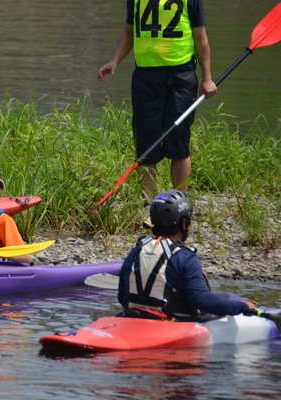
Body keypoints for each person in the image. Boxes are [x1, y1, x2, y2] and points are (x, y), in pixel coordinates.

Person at [97, 0, 218, 228]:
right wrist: (114, 61)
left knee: (178, 144)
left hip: (181, 76)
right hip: (145, 78)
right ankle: (148, 210)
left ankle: (181, 209)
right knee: (147, 145)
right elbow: (129, 32)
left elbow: (201, 38)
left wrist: (207, 77)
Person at [117, 190, 256, 320]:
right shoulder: (185, 258)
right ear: (184, 223)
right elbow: (202, 301)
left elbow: (121, 296)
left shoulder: (136, 251)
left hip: (132, 317)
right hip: (170, 322)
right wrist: (243, 307)